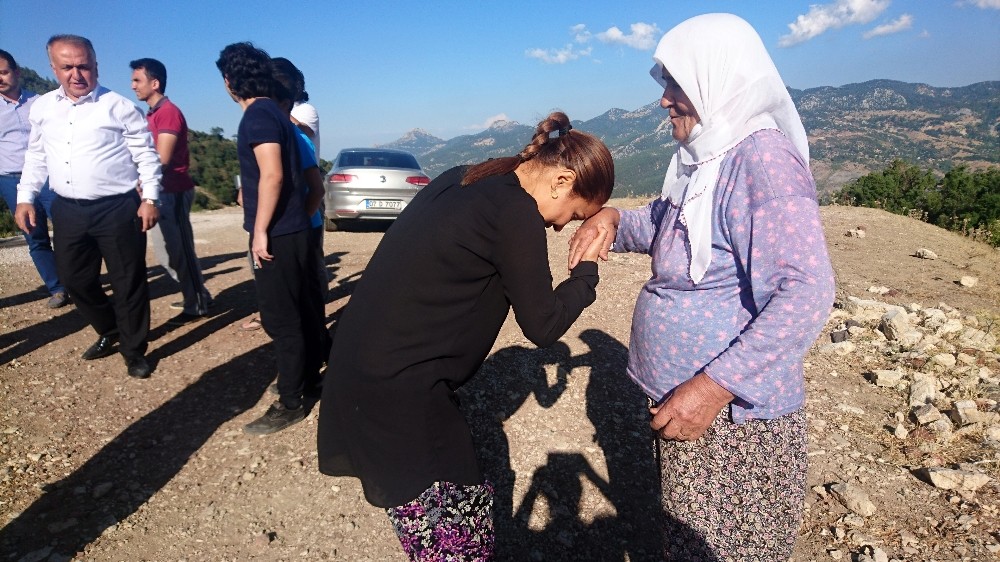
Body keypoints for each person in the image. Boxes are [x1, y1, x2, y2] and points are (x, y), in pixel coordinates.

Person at [569, 13, 836, 560]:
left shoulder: (762, 161)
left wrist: (713, 388)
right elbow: (671, 227)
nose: (664, 99)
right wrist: (615, 219)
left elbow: (806, 290)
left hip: (733, 421)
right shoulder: (710, 156)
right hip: (696, 409)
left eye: (677, 84)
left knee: (726, 547)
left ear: (717, 81)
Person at [317, 111, 615, 561]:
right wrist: (587, 273)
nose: (561, 227)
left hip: (363, 371)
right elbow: (545, 326)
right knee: (459, 545)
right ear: (562, 180)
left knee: (453, 520)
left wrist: (607, 212)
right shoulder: (515, 212)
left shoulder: (468, 177)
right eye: (574, 214)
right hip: (401, 395)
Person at [15, 35, 162, 379]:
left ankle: (133, 350)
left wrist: (150, 199)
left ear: (96, 65)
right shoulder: (43, 108)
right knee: (74, 279)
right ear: (54, 68)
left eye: (84, 66)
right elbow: (36, 156)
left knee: (128, 281)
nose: (76, 74)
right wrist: (25, 197)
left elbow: (146, 156)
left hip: (118, 208)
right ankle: (110, 329)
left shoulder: (119, 106)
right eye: (67, 67)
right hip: (68, 208)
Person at [215, 42, 328, 435]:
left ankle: (291, 401)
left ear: (228, 80)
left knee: (282, 320)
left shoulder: (258, 115)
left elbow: (273, 175)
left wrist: (260, 230)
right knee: (302, 311)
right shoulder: (278, 115)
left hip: (279, 233)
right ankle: (310, 381)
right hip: (294, 231)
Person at [129, 57, 214, 324]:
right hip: (161, 192)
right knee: (168, 253)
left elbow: (162, 159)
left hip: (173, 191)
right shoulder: (153, 113)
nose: (133, 86)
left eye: (137, 80)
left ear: (155, 83)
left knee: (179, 250)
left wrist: (143, 183)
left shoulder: (168, 112)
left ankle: (197, 302)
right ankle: (196, 295)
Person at [0, 48, 68, 309]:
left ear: (17, 72)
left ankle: (79, 280)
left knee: (68, 230)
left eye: (4, 72)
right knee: (34, 235)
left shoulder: (41, 103)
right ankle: (58, 288)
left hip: (48, 176)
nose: (0, 78)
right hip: (11, 181)